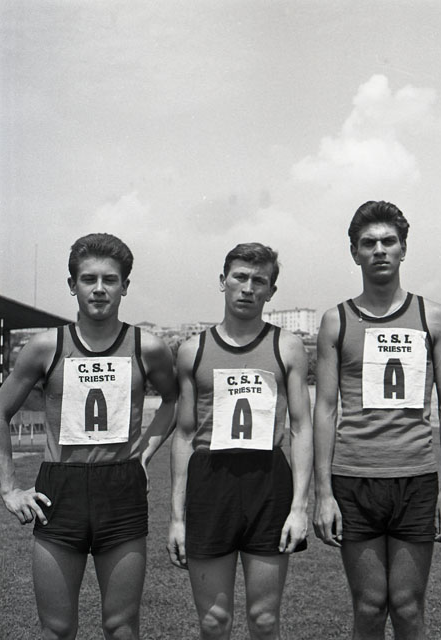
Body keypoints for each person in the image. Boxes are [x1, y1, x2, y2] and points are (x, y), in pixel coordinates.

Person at [0, 233, 177, 640]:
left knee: (121, 626)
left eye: (110, 279)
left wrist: (144, 452)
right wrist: (8, 489)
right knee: (56, 628)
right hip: (61, 489)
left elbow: (173, 400)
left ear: (125, 286)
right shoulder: (46, 347)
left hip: (121, 487)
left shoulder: (148, 347)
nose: (99, 288)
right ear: (72, 284)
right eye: (88, 278)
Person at [313, 201, 441, 640]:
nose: (379, 250)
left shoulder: (433, 316)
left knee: (409, 607)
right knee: (369, 606)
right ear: (354, 252)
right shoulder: (335, 320)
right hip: (354, 478)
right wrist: (323, 493)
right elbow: (325, 408)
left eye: (388, 241)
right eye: (368, 243)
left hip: (415, 477)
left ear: (403, 249)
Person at [167, 242, 312, 640]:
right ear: (223, 281)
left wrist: (299, 508)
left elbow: (301, 428)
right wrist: (176, 517)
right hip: (210, 481)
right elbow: (183, 435)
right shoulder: (192, 350)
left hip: (267, 479)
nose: (248, 288)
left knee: (264, 620)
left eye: (259, 281)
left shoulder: (288, 347)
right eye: (240, 277)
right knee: (214, 622)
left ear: (271, 291)